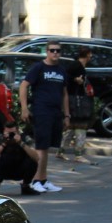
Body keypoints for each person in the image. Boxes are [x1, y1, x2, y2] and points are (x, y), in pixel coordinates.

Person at [18, 41, 69, 193]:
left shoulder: (61, 70)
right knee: (40, 146)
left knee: (46, 148)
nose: (55, 53)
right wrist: (24, 108)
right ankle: (35, 180)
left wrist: (67, 114)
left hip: (55, 112)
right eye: (52, 50)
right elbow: (23, 85)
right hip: (41, 111)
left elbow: (65, 94)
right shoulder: (38, 68)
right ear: (47, 52)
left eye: (58, 51)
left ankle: (43, 179)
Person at [0, 120, 42, 196]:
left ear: (18, 131)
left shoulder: (25, 138)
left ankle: (25, 186)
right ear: (4, 131)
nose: (11, 135)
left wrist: (21, 143)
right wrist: (4, 143)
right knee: (4, 157)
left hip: (21, 169)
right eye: (8, 133)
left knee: (32, 161)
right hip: (5, 169)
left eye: (12, 133)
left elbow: (36, 158)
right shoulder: (1, 138)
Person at [59, 47, 96, 164]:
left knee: (70, 129)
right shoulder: (76, 66)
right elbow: (65, 77)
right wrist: (76, 80)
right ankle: (78, 155)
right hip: (77, 102)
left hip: (73, 101)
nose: (91, 57)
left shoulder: (78, 66)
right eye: (91, 54)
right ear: (88, 54)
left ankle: (61, 151)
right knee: (80, 127)